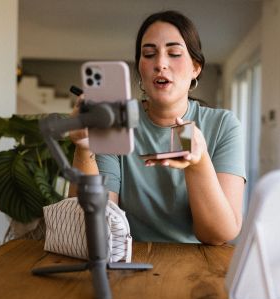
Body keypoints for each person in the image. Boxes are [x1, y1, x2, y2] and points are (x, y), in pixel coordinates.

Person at [69, 10, 245, 245]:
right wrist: (84, 149)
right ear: (140, 69)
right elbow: (95, 228)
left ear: (196, 67)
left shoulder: (223, 125)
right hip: (130, 258)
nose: (160, 64)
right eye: (149, 54)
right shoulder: (116, 122)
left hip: (199, 266)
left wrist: (199, 163)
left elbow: (217, 236)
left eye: (174, 53)